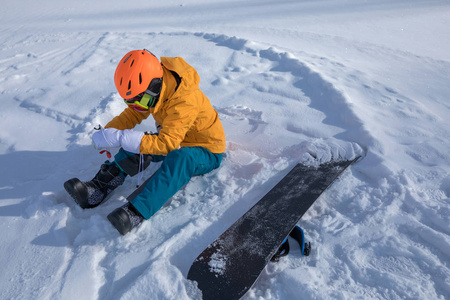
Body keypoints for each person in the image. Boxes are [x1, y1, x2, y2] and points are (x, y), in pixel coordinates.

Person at [64, 49, 226, 235]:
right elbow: (134, 113)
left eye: (140, 101)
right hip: (175, 136)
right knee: (141, 142)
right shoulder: (155, 91)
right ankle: (101, 185)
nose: (138, 106)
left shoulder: (185, 100)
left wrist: (124, 138)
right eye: (131, 101)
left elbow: (167, 145)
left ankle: (137, 210)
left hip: (206, 150)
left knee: (180, 158)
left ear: (155, 86)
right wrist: (109, 132)